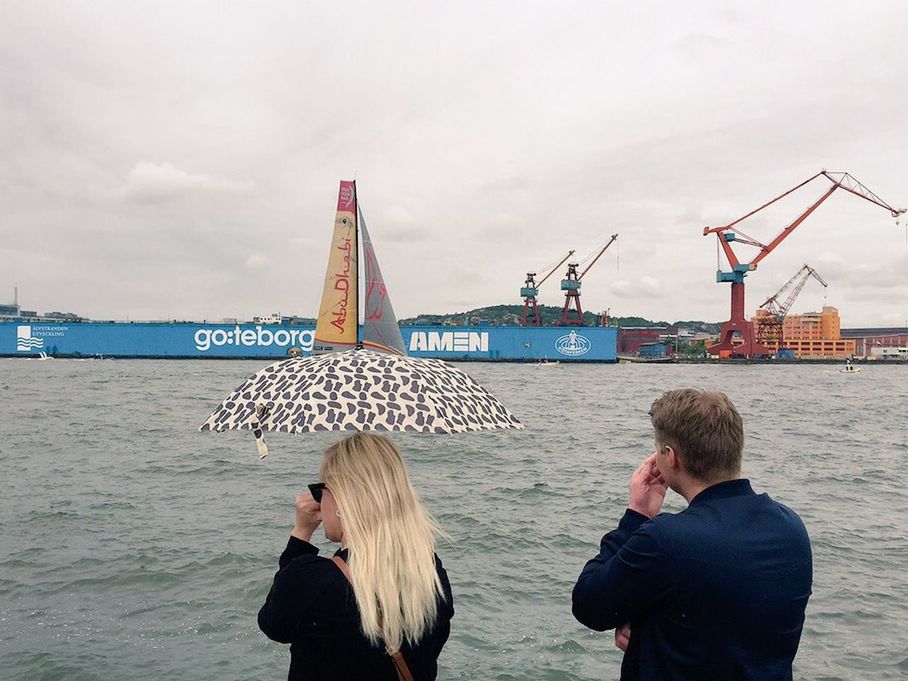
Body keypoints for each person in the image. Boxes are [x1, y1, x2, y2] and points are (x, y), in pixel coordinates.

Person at [572, 389, 812, 681]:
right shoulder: (791, 529)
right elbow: (730, 614)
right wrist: (651, 623)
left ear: (671, 457)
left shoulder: (665, 540)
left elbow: (589, 604)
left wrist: (636, 514)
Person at [258, 433, 454, 680]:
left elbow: (275, 624)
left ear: (343, 497)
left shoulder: (311, 581)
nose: (319, 501)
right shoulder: (430, 574)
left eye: (321, 490)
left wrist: (301, 533)